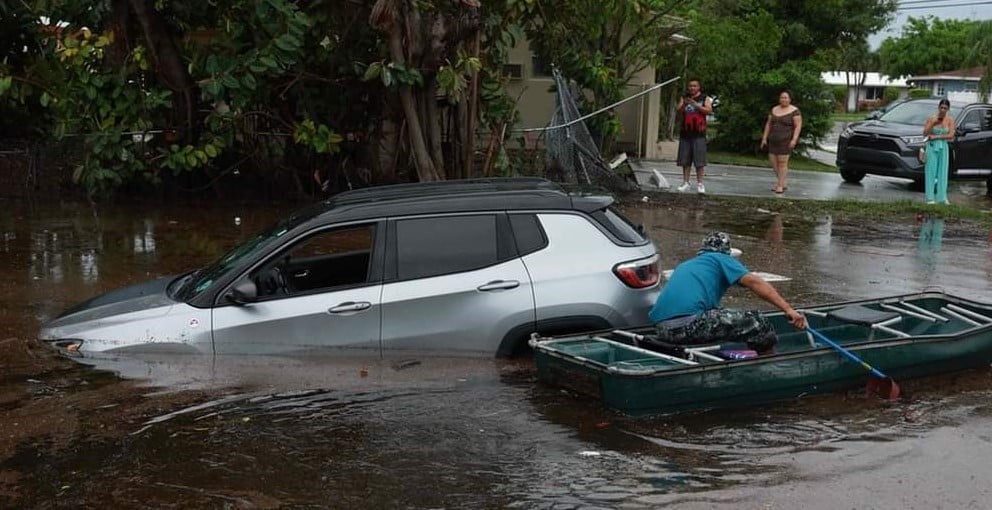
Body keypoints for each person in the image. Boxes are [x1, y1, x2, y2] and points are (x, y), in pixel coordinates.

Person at [648, 232, 807, 354]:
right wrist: (788, 309)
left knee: (722, 315)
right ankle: (768, 363)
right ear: (726, 251)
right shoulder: (720, 258)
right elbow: (754, 282)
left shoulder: (688, 265)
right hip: (688, 326)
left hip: (663, 330)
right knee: (757, 321)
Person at [760, 91, 802, 194]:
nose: (783, 99)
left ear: (790, 99)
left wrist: (794, 140)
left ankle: (779, 185)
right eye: (782, 97)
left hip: (786, 141)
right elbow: (768, 124)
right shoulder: (774, 109)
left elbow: (798, 126)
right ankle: (783, 182)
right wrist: (764, 138)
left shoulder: (795, 111)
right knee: (773, 163)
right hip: (773, 140)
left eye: (786, 98)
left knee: (782, 163)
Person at [676, 79, 714, 194]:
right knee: (685, 160)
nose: (692, 88)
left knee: (699, 161)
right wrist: (684, 104)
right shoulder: (684, 97)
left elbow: (709, 111)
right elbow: (679, 111)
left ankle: (700, 184)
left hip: (699, 133)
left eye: (694, 86)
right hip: (686, 133)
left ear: (699, 87)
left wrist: (696, 105)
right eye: (690, 86)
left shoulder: (704, 98)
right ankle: (685, 182)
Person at [922, 98, 954, 205]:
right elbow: (925, 133)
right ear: (938, 107)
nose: (943, 110)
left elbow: (951, 135)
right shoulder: (931, 118)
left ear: (948, 109)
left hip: (943, 146)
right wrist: (933, 124)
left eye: (945, 108)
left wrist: (937, 137)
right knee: (931, 171)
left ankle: (942, 197)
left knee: (943, 172)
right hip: (932, 146)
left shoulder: (950, 120)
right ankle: (930, 198)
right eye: (941, 107)